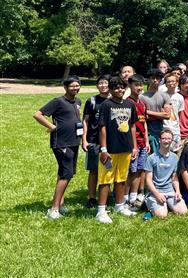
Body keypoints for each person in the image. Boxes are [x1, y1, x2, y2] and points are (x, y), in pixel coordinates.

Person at [33, 76, 83, 219]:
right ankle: (53, 210)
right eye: (72, 86)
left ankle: (59, 204)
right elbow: (37, 114)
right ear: (65, 87)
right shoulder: (58, 101)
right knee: (66, 174)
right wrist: (51, 126)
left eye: (77, 85)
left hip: (74, 141)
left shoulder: (77, 101)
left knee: (65, 173)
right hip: (61, 143)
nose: (75, 88)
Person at [95, 76, 139, 223]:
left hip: (125, 148)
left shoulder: (130, 105)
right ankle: (101, 210)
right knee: (105, 180)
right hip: (110, 150)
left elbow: (133, 126)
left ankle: (119, 206)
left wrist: (134, 146)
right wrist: (103, 148)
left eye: (121, 87)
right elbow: (102, 127)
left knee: (121, 179)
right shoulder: (106, 105)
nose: (119, 90)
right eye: (116, 88)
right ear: (111, 90)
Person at [80, 74, 110, 209]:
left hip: (110, 143)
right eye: (101, 83)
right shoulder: (91, 101)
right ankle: (92, 198)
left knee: (109, 169)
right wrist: (84, 139)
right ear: (97, 85)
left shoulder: (115, 100)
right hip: (93, 141)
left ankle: (107, 196)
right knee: (93, 171)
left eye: (106, 83)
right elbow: (85, 121)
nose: (103, 85)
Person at [144, 129, 188, 218]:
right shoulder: (151, 158)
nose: (166, 141)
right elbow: (148, 180)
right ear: (159, 140)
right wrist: (157, 194)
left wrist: (178, 191)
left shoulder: (175, 157)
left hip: (170, 191)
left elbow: (174, 178)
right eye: (164, 138)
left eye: (169, 139)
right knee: (162, 215)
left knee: (183, 212)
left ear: (171, 140)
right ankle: (149, 202)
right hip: (155, 192)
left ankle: (166, 204)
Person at [125, 74, 149, 210]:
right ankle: (124, 198)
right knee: (130, 171)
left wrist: (147, 141)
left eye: (140, 85)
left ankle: (134, 197)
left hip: (142, 143)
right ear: (130, 86)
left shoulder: (142, 103)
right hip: (132, 144)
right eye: (136, 85)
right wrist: (132, 145)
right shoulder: (128, 103)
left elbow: (144, 123)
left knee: (140, 171)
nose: (138, 87)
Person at [141, 69, 169, 155]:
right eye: (153, 78)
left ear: (161, 80)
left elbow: (167, 115)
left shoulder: (164, 95)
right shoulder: (142, 97)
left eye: (157, 78)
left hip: (160, 132)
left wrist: (148, 112)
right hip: (146, 132)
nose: (155, 80)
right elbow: (143, 117)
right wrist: (160, 115)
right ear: (148, 79)